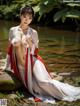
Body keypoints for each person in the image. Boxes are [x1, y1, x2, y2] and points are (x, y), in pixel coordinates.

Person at [5, 5, 80, 104]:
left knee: (43, 81)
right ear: (20, 16)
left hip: (33, 59)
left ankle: (65, 93)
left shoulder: (34, 32)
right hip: (21, 64)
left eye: (30, 18)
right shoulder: (12, 30)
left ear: (32, 19)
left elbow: (35, 52)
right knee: (36, 86)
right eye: (25, 17)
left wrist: (30, 43)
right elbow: (10, 50)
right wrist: (6, 67)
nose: (27, 20)